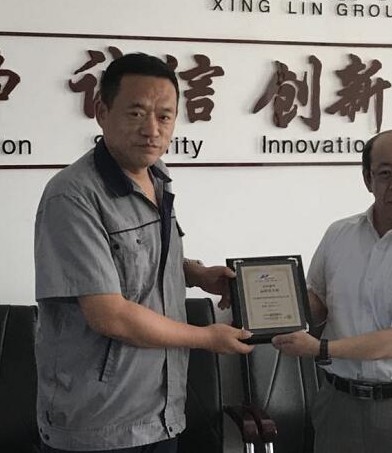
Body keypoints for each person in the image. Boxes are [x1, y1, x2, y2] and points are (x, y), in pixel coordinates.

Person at [34, 53, 253, 453]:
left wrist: (195, 274)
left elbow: (140, 260)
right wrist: (206, 337)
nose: (152, 129)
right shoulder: (73, 195)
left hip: (160, 411)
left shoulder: (157, 177)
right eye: (136, 113)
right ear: (102, 112)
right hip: (100, 423)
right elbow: (109, 314)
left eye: (164, 116)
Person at [273, 129, 392, 453]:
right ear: (367, 179)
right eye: (385, 173)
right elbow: (317, 302)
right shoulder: (338, 234)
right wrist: (262, 301)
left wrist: (321, 349)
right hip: (338, 401)